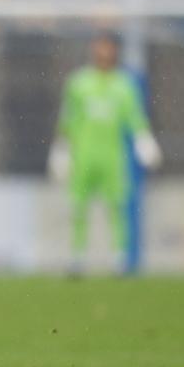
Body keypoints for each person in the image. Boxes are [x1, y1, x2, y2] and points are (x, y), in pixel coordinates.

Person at [48, 33, 161, 273]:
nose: (104, 52)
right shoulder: (79, 82)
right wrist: (61, 148)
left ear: (116, 51)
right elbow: (68, 117)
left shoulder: (124, 85)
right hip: (83, 155)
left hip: (113, 156)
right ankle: (77, 257)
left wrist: (144, 139)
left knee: (118, 206)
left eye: (109, 48)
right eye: (101, 47)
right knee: (78, 206)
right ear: (93, 49)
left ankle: (120, 258)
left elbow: (134, 116)